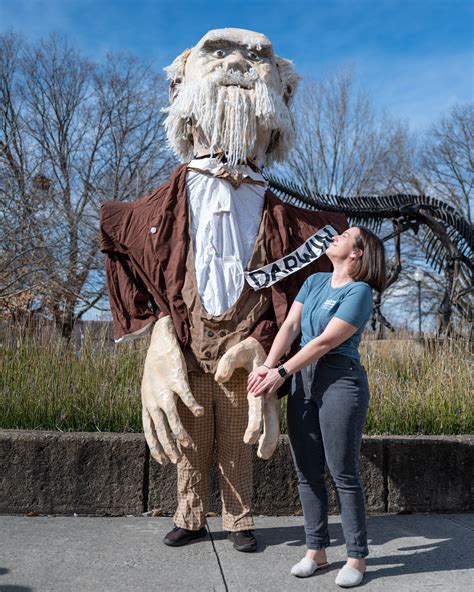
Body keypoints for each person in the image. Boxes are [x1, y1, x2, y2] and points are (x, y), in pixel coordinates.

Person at [100, 27, 347, 554]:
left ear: (284, 90)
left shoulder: (308, 226)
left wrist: (271, 349)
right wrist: (157, 331)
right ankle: (189, 515)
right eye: (217, 51)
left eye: (256, 55)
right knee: (190, 442)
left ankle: (239, 520)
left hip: (248, 350)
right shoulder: (145, 216)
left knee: (240, 442)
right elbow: (126, 259)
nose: (236, 61)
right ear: (179, 86)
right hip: (186, 349)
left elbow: (326, 295)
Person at [248, 226, 386, 586]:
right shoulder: (314, 282)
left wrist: (281, 371)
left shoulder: (360, 292)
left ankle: (357, 559)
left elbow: (324, 342)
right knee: (306, 469)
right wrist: (268, 365)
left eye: (345, 236)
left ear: (357, 253)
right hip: (303, 380)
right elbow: (291, 326)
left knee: (343, 472)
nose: (335, 237)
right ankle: (317, 551)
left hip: (339, 378)